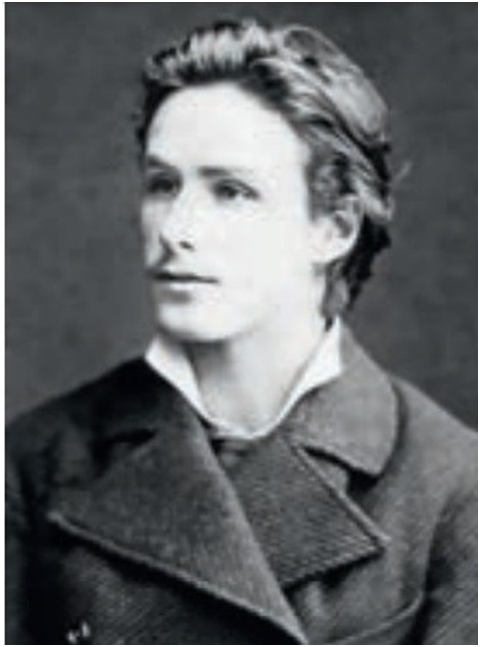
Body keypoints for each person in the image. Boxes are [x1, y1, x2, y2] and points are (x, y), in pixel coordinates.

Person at [6, 18, 477, 645]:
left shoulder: (453, 489)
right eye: (163, 184)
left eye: (231, 191)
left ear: (333, 228)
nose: (176, 229)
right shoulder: (33, 462)